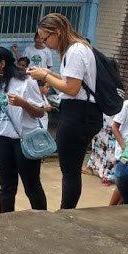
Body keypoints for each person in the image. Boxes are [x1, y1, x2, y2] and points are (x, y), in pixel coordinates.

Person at [29, 13, 103, 208]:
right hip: (81, 111)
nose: (45, 44)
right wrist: (48, 73)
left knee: (70, 170)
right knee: (70, 169)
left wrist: (44, 75)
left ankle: (67, 212)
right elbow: (69, 80)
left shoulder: (76, 50)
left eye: (46, 39)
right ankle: (67, 209)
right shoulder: (78, 49)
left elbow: (71, 88)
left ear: (58, 33)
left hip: (79, 113)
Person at [0, 46, 48, 213]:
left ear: (3, 63)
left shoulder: (26, 81)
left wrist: (23, 104)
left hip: (24, 139)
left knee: (31, 186)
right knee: (6, 187)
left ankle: (43, 220)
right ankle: (6, 223)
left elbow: (40, 112)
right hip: (2, 139)